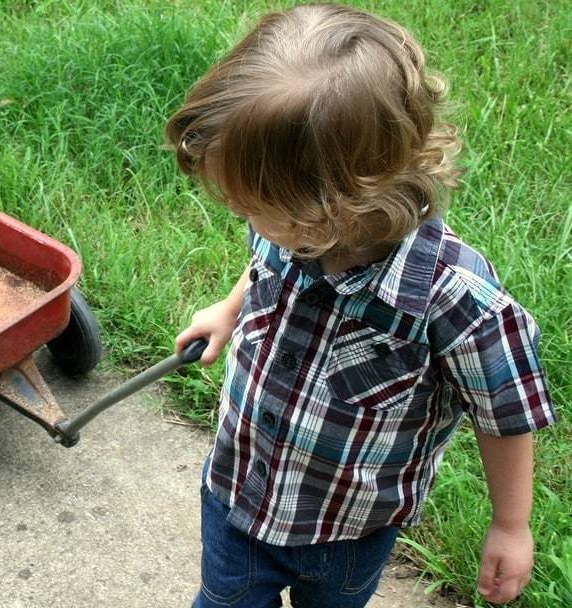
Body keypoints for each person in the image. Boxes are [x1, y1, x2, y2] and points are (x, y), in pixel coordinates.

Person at [166, 4, 556, 607]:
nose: (242, 217)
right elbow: (264, 265)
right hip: (238, 495)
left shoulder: (456, 304)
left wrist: (511, 524)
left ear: (340, 203)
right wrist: (229, 307)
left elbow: (505, 412)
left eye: (254, 205)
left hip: (348, 530)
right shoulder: (288, 228)